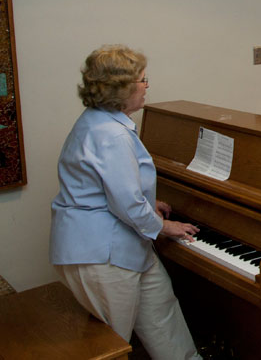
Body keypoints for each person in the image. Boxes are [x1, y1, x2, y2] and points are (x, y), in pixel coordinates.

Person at [50, 45, 201, 360]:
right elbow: (128, 203)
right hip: (102, 255)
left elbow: (112, 187)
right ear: (120, 89)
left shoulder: (99, 121)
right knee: (115, 343)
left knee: (163, 312)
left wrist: (149, 201)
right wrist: (163, 226)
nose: (148, 87)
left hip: (126, 245)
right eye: (143, 80)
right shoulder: (112, 135)